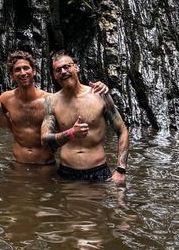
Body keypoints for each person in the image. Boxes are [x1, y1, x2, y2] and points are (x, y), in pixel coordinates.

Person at [41, 53, 129, 184]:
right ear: (55, 76)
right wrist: (71, 133)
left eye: (67, 67)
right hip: (67, 173)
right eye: (58, 70)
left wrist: (121, 170)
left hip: (98, 171)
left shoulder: (100, 95)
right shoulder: (51, 102)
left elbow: (122, 130)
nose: (63, 72)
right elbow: (45, 140)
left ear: (76, 67)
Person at [0, 53, 56, 168]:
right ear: (12, 75)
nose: (23, 73)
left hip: (45, 164)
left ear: (33, 71)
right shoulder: (6, 99)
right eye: (17, 70)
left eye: (26, 68)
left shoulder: (49, 99)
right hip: (18, 164)